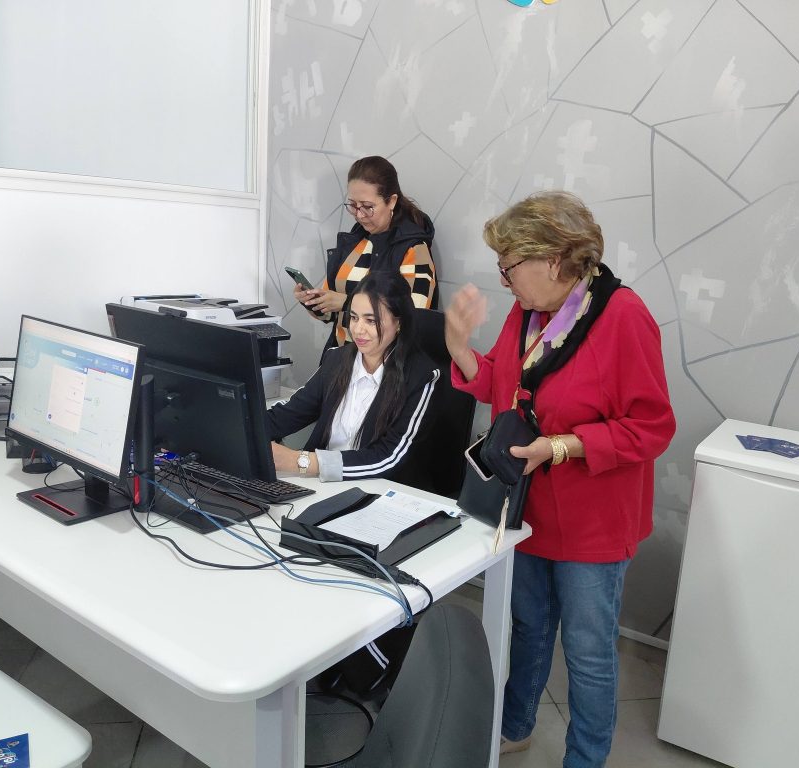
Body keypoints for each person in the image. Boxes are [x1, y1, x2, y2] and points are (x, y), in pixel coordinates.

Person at [445, 191, 676, 768]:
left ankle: (586, 758)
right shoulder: (529, 312)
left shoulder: (623, 316)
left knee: (588, 653)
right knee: (528, 627)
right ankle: (517, 725)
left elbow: (652, 426)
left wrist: (561, 446)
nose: (504, 281)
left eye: (509, 267)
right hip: (529, 509)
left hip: (593, 522)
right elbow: (503, 383)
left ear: (552, 260)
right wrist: (459, 348)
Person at [268, 270, 439, 486]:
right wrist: (243, 429)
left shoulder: (421, 377)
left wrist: (300, 461)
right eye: (354, 317)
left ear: (399, 323)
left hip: (376, 489)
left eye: (371, 320)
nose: (358, 329)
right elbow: (288, 413)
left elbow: (389, 457)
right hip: (321, 485)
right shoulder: (337, 359)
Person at [293, 156, 437, 349]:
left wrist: (348, 303)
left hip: (387, 362)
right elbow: (332, 313)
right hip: (343, 356)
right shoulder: (354, 241)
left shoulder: (414, 249)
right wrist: (314, 302)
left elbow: (413, 317)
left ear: (391, 201)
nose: (359, 215)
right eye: (353, 205)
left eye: (368, 207)